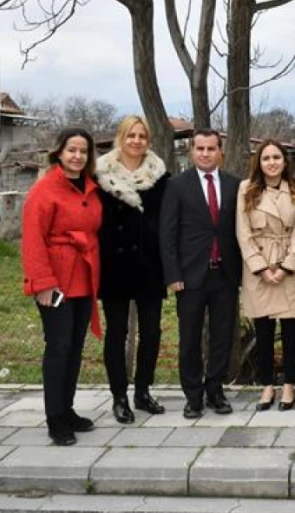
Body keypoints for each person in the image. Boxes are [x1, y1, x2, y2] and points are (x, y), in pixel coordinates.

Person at [22, 127, 103, 446]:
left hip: (83, 277)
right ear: (59, 152)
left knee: (74, 348)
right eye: (72, 150)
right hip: (55, 279)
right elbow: (32, 239)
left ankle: (66, 408)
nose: (77, 156)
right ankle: (55, 418)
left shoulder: (90, 187)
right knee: (57, 348)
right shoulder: (45, 189)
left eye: (83, 151)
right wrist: (42, 284)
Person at [160, 129, 242, 419]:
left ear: (220, 151)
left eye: (211, 148)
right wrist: (173, 273)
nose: (205, 154)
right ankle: (193, 396)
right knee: (190, 338)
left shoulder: (235, 186)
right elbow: (167, 234)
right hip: (191, 276)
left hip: (226, 275)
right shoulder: (177, 186)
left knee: (221, 338)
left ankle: (215, 391)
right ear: (191, 151)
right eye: (200, 149)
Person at [95, 115, 170, 424]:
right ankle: (119, 396)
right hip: (114, 263)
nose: (136, 141)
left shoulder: (159, 174)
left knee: (151, 332)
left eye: (142, 136)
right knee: (117, 333)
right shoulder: (101, 173)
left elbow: (164, 218)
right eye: (131, 136)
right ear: (120, 138)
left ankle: (142, 391)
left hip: (150, 264)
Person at [236, 140, 295, 412]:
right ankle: (267, 384)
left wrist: (288, 264)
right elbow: (242, 232)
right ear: (259, 162)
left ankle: (289, 383)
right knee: (263, 330)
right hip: (258, 268)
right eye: (266, 158)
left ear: (285, 161)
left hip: (287, 265)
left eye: (277, 157)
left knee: (290, 330)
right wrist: (261, 268)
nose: (272, 162)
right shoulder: (246, 189)